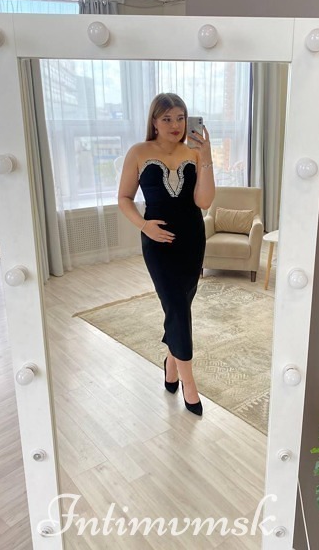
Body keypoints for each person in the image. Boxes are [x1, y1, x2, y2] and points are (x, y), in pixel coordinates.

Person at [118, 93, 215, 416]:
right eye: (167, 118)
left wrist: (206, 157)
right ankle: (190, 383)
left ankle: (171, 365)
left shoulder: (194, 152)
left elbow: (204, 202)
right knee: (175, 305)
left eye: (180, 118)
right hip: (157, 243)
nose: (175, 125)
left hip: (192, 240)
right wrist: (144, 226)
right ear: (154, 122)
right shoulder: (139, 152)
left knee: (180, 307)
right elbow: (124, 198)